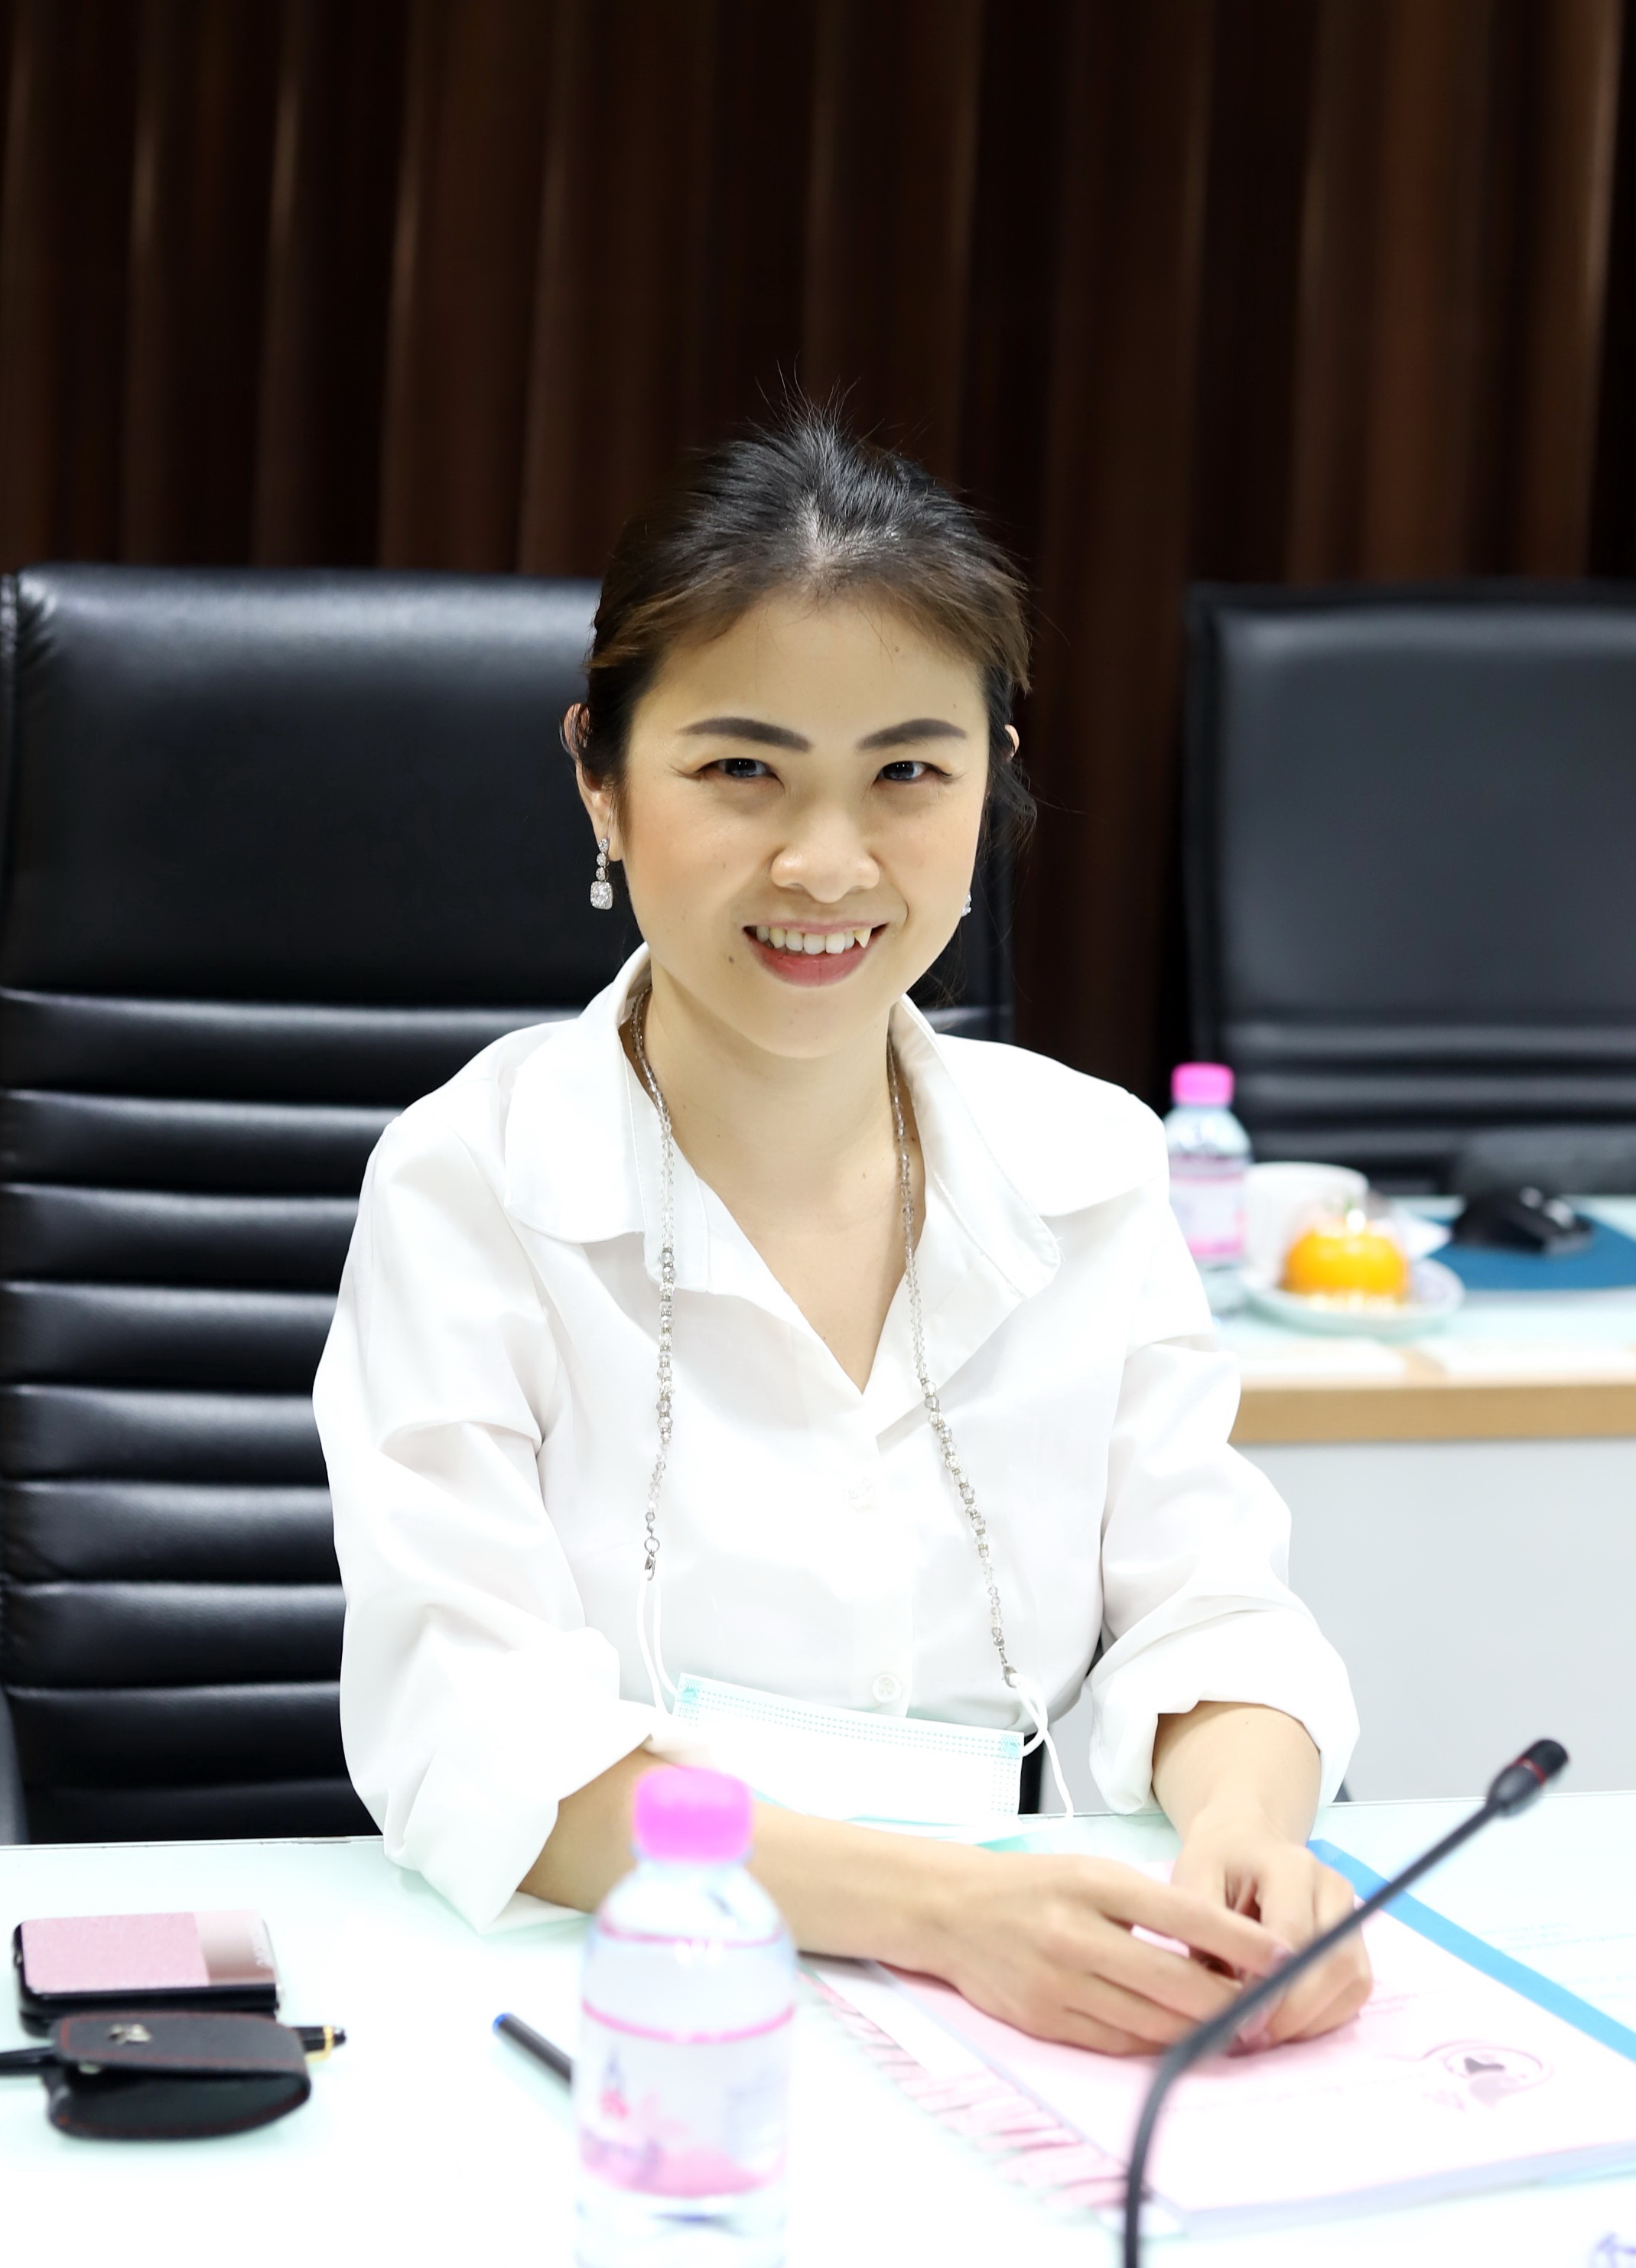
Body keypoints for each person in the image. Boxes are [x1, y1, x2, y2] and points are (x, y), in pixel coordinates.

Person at [314, 411, 1370, 2055]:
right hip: (619, 2020)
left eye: (906, 773)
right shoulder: (469, 1180)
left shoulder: (1088, 1163)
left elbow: (1211, 1615)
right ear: (599, 778)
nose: (824, 861)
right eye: (741, 770)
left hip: (1020, 2021)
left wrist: (1247, 1832)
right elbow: (473, 1724)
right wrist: (943, 1916)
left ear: (990, 777)